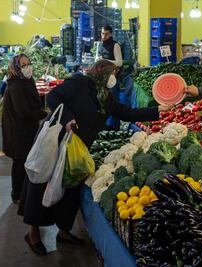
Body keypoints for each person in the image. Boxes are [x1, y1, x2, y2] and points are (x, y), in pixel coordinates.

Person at [18, 59, 170, 256]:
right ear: (102, 73)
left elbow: (127, 113)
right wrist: (68, 119)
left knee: (71, 188)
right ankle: (33, 233)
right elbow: (53, 96)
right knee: (41, 183)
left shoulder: (106, 97)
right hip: (56, 141)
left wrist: (157, 110)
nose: (114, 78)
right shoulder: (79, 82)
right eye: (112, 73)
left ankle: (64, 231)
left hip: (79, 149)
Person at [2, 54, 43, 204]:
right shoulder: (16, 85)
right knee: (19, 163)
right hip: (18, 132)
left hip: (26, 130)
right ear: (16, 68)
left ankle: (23, 193)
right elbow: (22, 111)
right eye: (23, 65)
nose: (27, 67)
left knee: (25, 161)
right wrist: (42, 114)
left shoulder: (26, 81)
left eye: (28, 63)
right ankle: (17, 195)